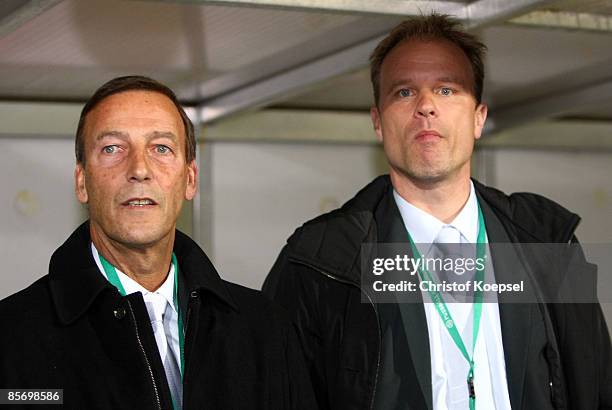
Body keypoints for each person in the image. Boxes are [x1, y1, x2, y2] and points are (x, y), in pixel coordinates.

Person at [263, 14, 612, 410]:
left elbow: (595, 387)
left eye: (447, 90)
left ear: (479, 118)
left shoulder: (549, 243)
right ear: (378, 122)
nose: (426, 106)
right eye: (404, 92)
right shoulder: (319, 261)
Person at [0, 76, 315, 410]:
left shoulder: (265, 330)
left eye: (161, 148)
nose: (139, 169)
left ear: (190, 179)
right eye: (112, 148)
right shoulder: (11, 339)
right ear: (82, 182)